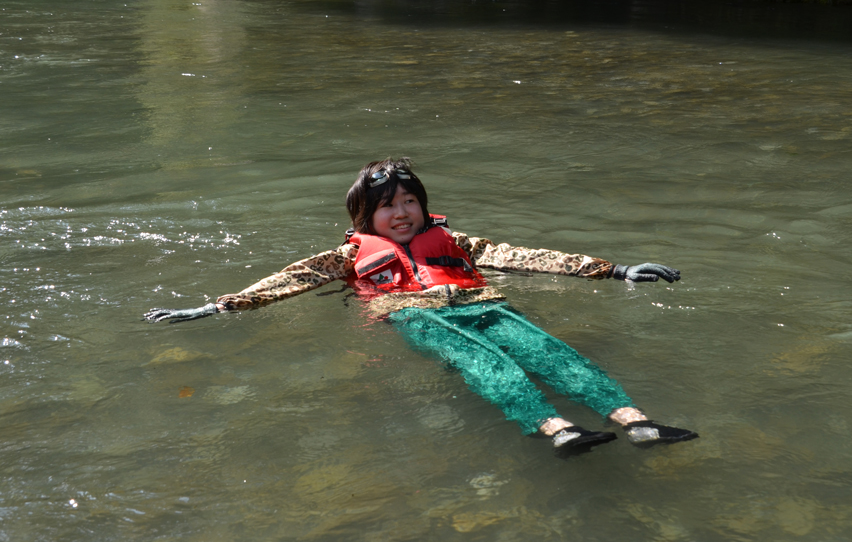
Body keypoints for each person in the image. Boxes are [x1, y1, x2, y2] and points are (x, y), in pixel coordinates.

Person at [144, 158, 697, 457]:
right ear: (366, 219)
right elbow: (290, 280)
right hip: (415, 313)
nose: (403, 212)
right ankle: (555, 428)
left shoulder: (459, 244)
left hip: (484, 302)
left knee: (554, 353)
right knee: (489, 364)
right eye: (388, 207)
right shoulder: (347, 256)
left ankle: (636, 421)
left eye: (411, 201)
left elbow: (527, 256)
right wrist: (219, 307)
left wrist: (614, 269)